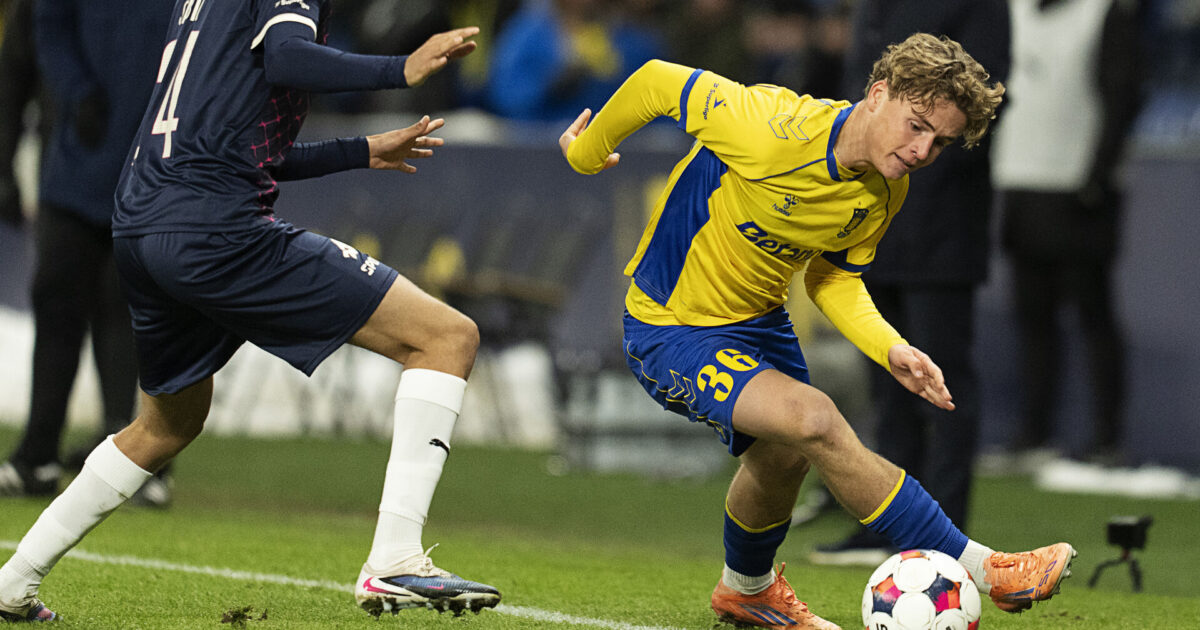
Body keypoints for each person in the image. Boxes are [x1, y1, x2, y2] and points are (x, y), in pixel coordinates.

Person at [0, 0, 500, 622]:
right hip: (216, 231)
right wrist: (402, 68)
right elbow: (290, 59)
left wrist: (359, 149)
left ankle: (13, 580)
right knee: (447, 337)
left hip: (142, 224)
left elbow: (233, 142)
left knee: (165, 426)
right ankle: (395, 558)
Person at [559, 34, 1073, 629]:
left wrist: (891, 347)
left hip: (760, 325)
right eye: (916, 126)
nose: (922, 150)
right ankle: (987, 569)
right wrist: (586, 153)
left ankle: (746, 591)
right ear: (878, 94)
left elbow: (833, 278)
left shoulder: (885, 187)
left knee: (782, 460)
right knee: (815, 419)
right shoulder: (769, 125)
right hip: (670, 326)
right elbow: (653, 81)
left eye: (941, 142)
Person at [809, 0, 1011, 566]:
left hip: (942, 227)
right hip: (872, 218)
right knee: (887, 383)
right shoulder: (875, 6)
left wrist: (905, 166)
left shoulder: (982, 10)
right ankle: (885, 526)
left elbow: (980, 112)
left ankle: (943, 537)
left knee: (942, 380)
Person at [0, 0, 175, 507]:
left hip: (149, 162)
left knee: (133, 311)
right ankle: (38, 453)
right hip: (80, 153)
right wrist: (77, 94)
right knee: (57, 301)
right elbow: (40, 35)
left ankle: (137, 454)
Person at [991, 0, 1144, 468]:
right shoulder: (1010, 10)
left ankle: (1107, 439)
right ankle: (1034, 435)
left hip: (1081, 189)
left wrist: (1096, 176)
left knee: (1092, 313)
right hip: (1019, 182)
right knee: (1032, 314)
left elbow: (1125, 96)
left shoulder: (1107, 13)